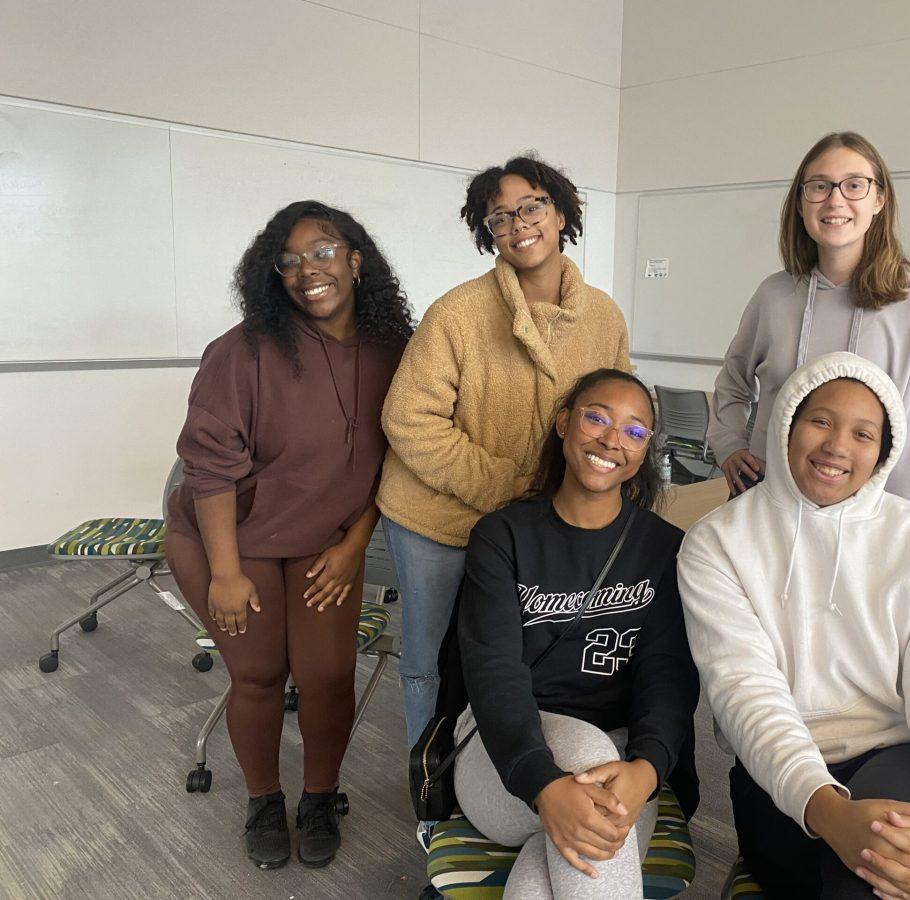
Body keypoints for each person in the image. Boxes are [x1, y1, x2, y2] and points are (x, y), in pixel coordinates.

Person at [679, 352, 910, 899]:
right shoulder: (718, 542)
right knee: (866, 881)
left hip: (898, 758)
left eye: (864, 433)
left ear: (883, 451)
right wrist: (830, 813)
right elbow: (745, 693)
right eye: (821, 421)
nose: (838, 446)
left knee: (890, 872)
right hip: (780, 780)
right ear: (787, 423)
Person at [165, 201, 414, 869]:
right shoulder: (243, 351)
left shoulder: (396, 348)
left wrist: (355, 542)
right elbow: (209, 465)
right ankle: (263, 800)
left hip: (325, 537)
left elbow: (397, 460)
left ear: (356, 260)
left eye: (324, 252)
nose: (308, 270)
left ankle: (319, 796)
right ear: (274, 275)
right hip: (229, 537)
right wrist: (224, 571)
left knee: (330, 674)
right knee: (259, 676)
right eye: (290, 261)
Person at [377, 155, 630, 774]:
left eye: (532, 206)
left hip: (535, 524)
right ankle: (433, 795)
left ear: (561, 212)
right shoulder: (458, 313)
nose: (518, 224)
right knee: (432, 661)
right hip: (438, 519)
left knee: (515, 659)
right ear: (486, 232)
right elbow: (408, 417)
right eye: (499, 217)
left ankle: (509, 782)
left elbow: (614, 409)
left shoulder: (602, 316)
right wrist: (506, 484)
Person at [453, 368, 699, 898]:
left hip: (622, 770)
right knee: (589, 769)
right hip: (502, 756)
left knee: (546, 879)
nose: (613, 439)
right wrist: (543, 782)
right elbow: (493, 672)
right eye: (597, 418)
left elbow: (668, 673)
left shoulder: (664, 548)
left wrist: (648, 769)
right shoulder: (503, 536)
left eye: (635, 431)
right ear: (564, 423)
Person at [708, 131, 910, 515]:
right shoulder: (774, 295)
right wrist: (730, 445)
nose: (835, 199)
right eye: (819, 186)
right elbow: (733, 379)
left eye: (854, 185)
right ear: (800, 203)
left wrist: (907, 537)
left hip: (859, 524)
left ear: (879, 199)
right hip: (766, 507)